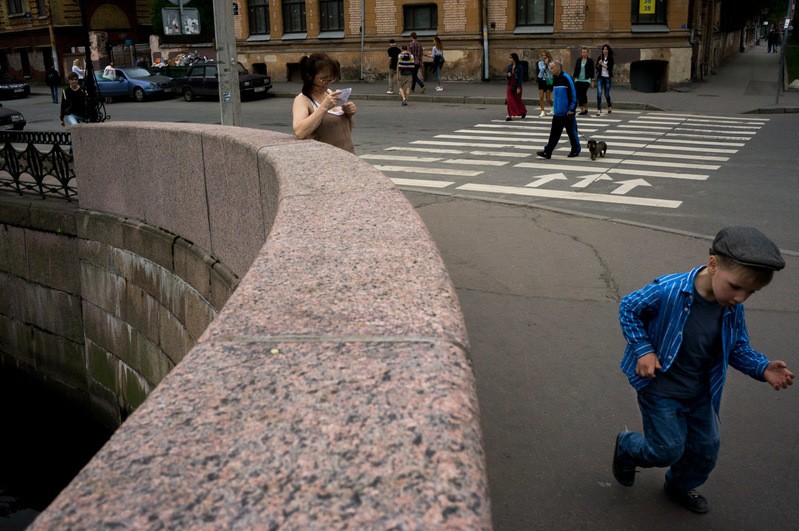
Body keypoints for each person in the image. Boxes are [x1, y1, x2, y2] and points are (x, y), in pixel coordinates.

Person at [614, 226, 794, 514]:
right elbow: (629, 308)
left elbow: (736, 347)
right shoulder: (669, 290)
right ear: (713, 265)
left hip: (700, 391)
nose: (741, 298)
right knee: (666, 450)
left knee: (705, 449)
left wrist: (762, 367)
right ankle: (627, 446)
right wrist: (644, 350)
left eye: (751, 292)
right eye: (736, 286)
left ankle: (679, 486)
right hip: (660, 388)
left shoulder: (731, 307)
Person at [292, 53, 357, 154]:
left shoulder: (329, 93)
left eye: (330, 79)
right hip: (326, 160)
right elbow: (300, 132)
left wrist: (349, 114)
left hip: (348, 155)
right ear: (309, 77)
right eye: (323, 79)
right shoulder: (302, 100)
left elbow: (346, 129)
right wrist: (323, 107)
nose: (327, 83)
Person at [536, 60, 580, 158]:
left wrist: (572, 109)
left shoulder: (567, 78)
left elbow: (573, 94)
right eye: (550, 68)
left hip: (567, 112)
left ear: (558, 68)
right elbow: (544, 82)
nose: (550, 70)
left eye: (552, 68)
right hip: (557, 112)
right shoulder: (553, 78)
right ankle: (548, 151)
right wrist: (544, 73)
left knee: (572, 132)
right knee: (554, 134)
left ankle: (576, 150)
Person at [505, 53, 527, 121]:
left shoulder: (519, 67)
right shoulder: (509, 67)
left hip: (517, 85)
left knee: (517, 100)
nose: (510, 59)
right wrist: (508, 75)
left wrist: (518, 87)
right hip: (510, 84)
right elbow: (508, 77)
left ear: (514, 58)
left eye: (511, 58)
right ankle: (510, 115)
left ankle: (523, 111)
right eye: (509, 58)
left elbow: (520, 78)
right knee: (509, 100)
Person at [572, 47, 594, 115]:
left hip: (586, 79)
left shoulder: (590, 61)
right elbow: (576, 69)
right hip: (578, 79)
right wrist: (574, 78)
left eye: (585, 52)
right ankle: (581, 109)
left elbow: (592, 71)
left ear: (587, 53)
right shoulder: (579, 60)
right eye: (583, 52)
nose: (584, 53)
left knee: (583, 93)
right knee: (579, 94)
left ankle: (585, 108)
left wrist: (592, 80)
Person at [596, 44, 614, 116]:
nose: (605, 50)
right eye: (604, 49)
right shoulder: (600, 57)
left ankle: (609, 106)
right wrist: (598, 64)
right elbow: (596, 67)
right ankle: (599, 109)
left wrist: (602, 64)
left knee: (606, 94)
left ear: (608, 50)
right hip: (600, 77)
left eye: (606, 49)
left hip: (607, 77)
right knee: (599, 93)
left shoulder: (610, 58)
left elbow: (610, 68)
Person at [536, 51, 554, 117]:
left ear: (548, 56)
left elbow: (551, 70)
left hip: (549, 80)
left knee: (548, 98)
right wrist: (545, 65)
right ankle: (542, 111)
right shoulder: (540, 63)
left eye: (545, 55)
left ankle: (553, 105)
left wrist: (548, 65)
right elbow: (541, 70)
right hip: (541, 80)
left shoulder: (552, 63)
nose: (544, 57)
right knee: (541, 97)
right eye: (543, 55)